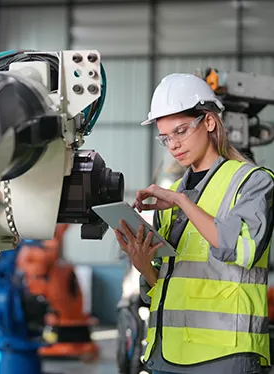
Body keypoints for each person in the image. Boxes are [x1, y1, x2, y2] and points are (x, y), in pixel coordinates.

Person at [114, 73, 274, 374]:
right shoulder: (172, 195)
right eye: (165, 137)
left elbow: (239, 248)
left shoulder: (252, 182)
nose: (173, 145)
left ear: (210, 122)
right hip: (168, 353)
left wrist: (182, 202)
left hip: (225, 357)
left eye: (181, 131)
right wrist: (144, 265)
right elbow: (164, 283)